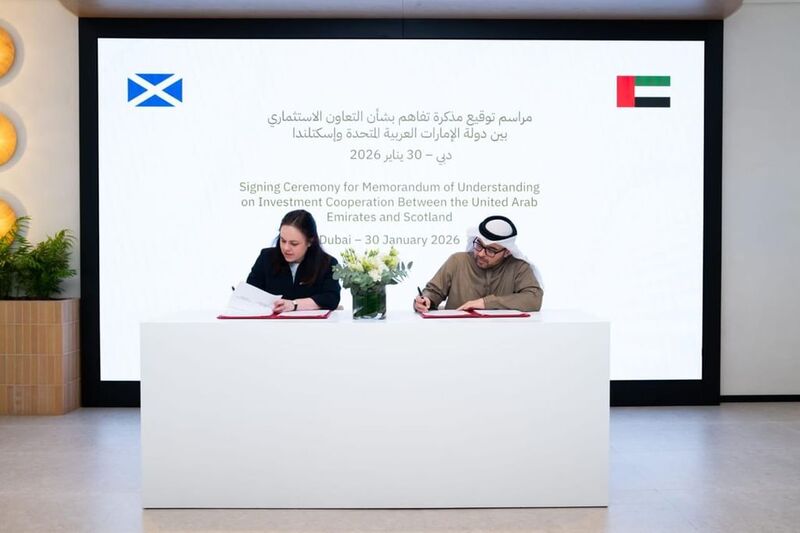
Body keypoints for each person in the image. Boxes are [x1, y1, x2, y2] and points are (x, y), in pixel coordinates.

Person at [414, 215, 543, 312]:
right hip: (456, 333)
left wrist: (485, 303)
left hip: (502, 336)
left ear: (507, 252)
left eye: (491, 250)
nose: (481, 254)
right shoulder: (457, 261)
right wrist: (425, 300)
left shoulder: (519, 267)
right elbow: (433, 292)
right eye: (479, 245)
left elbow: (534, 298)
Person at [246, 210, 341, 312]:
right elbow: (251, 292)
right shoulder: (266, 257)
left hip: (310, 322)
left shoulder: (328, 263)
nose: (286, 248)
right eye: (283, 241)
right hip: (271, 321)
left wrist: (294, 304)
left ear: (310, 241)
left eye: (294, 243)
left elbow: (331, 298)